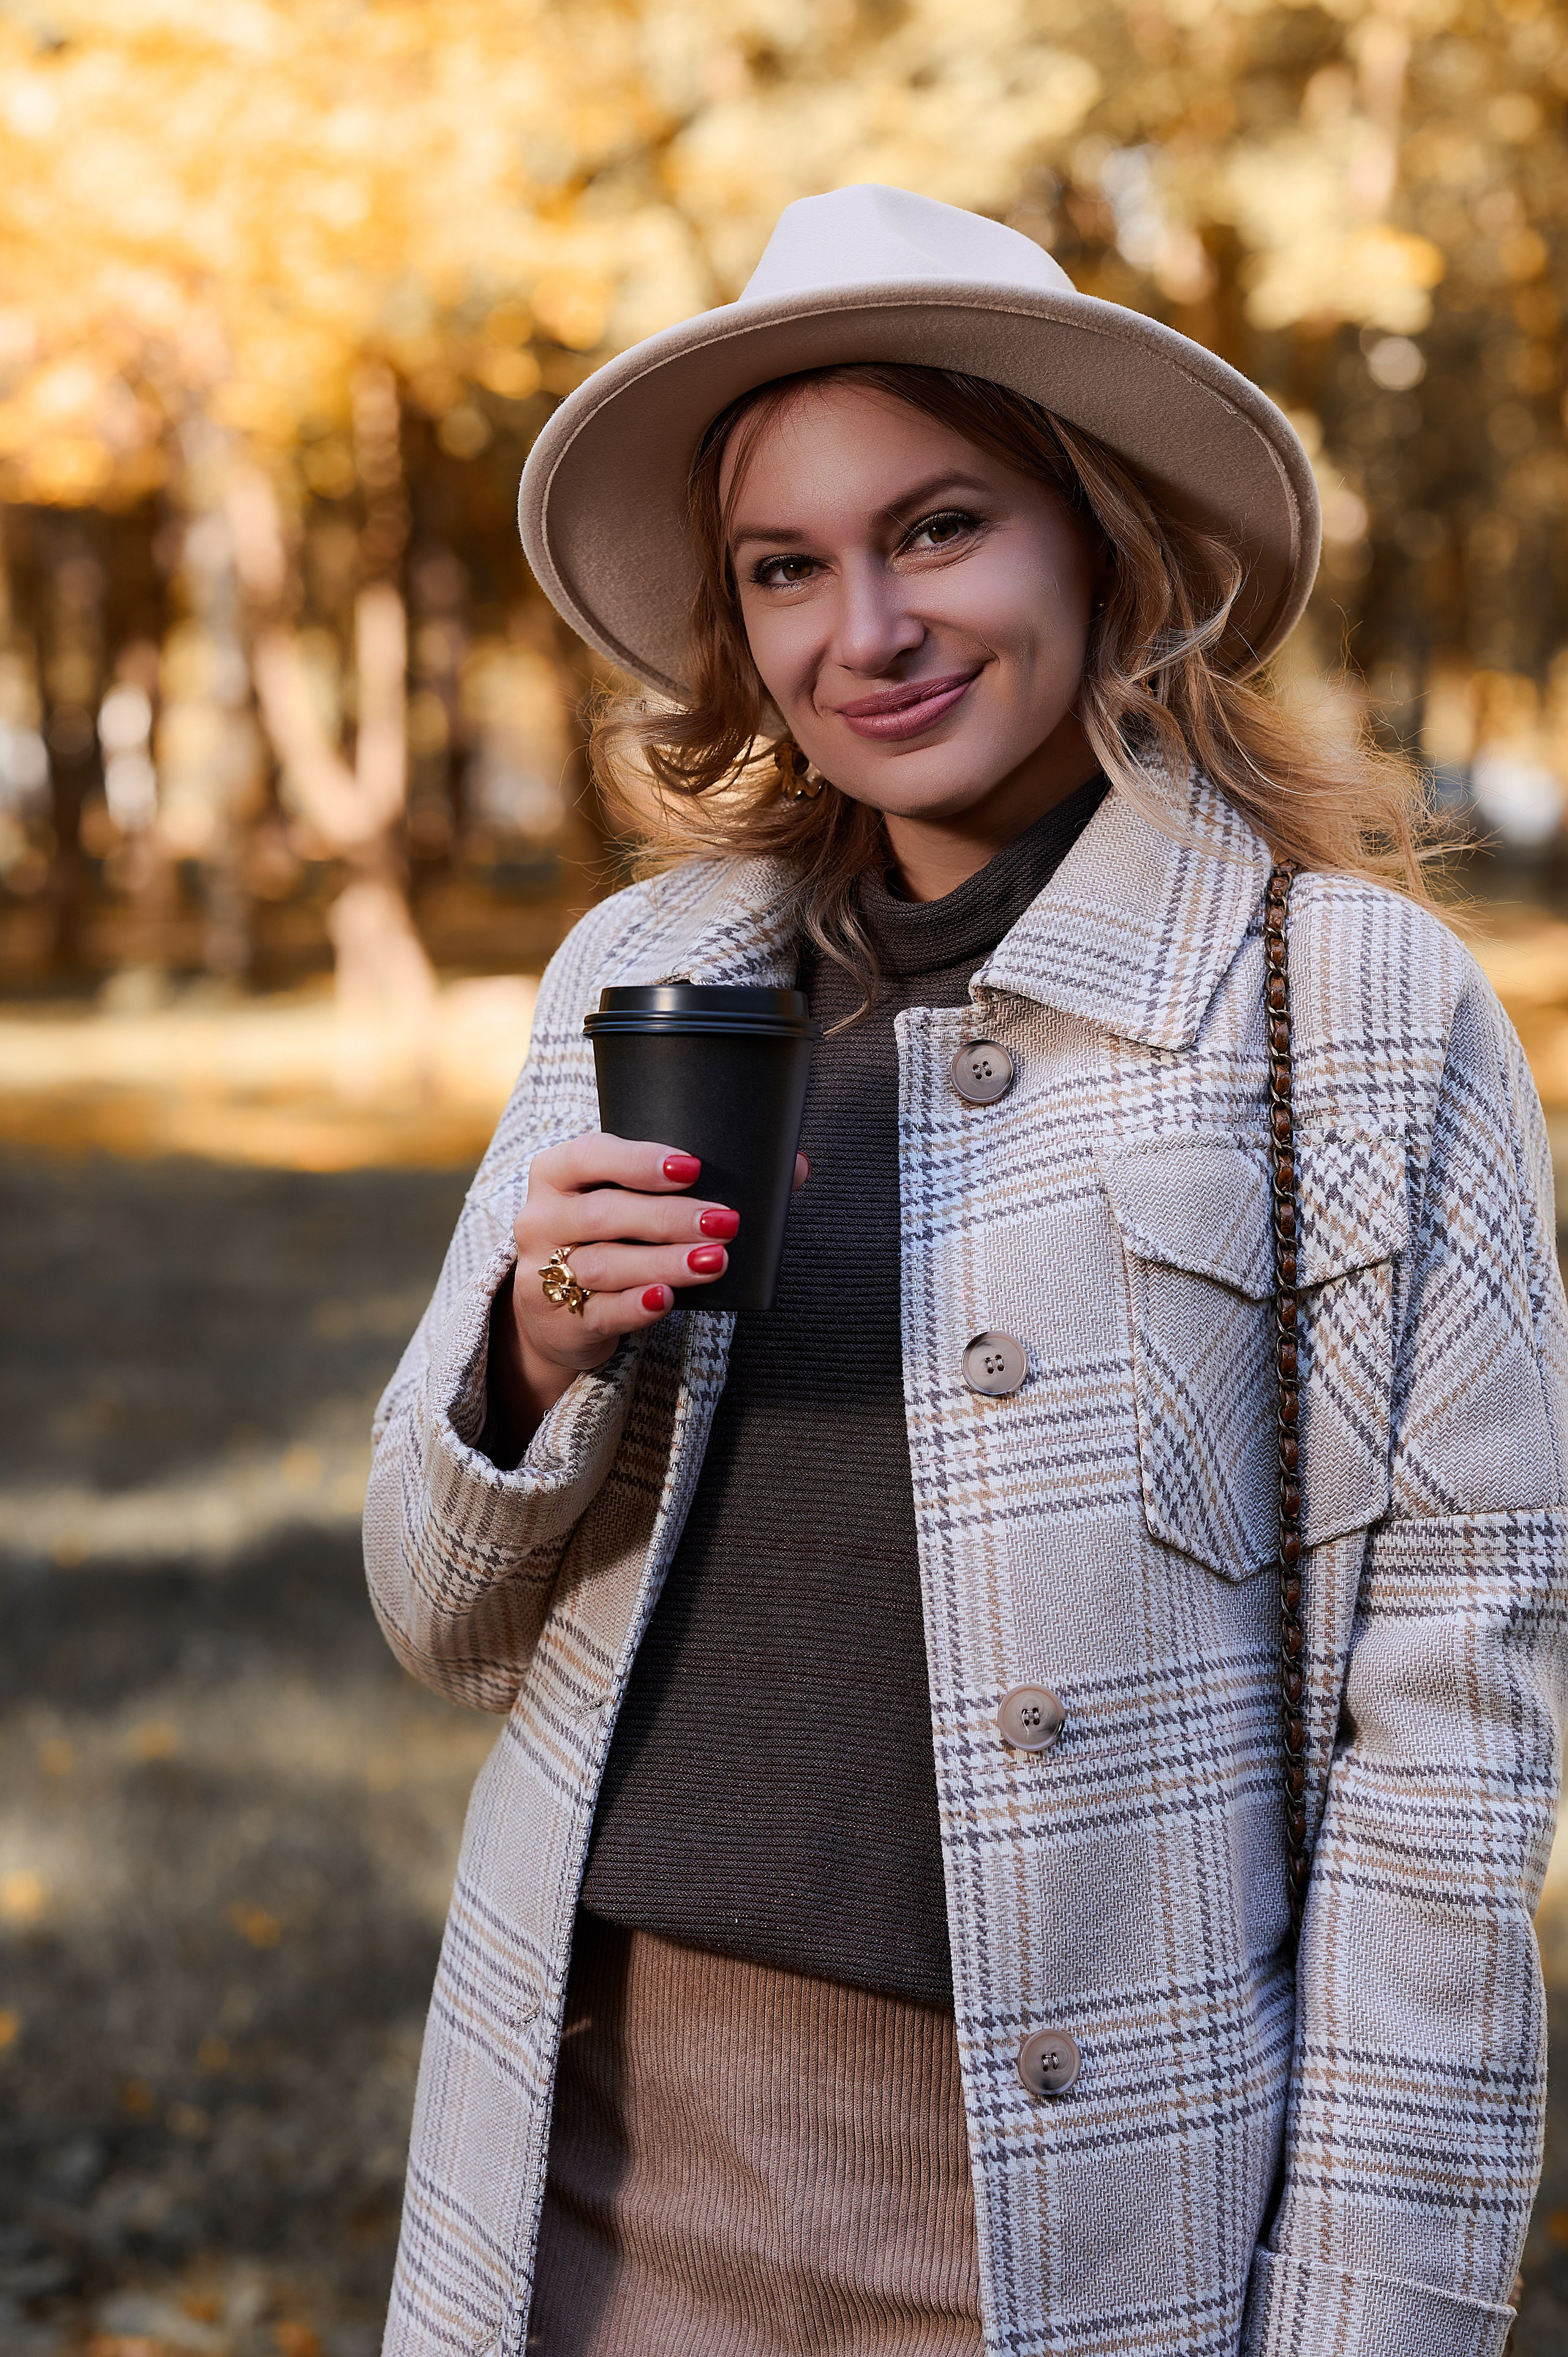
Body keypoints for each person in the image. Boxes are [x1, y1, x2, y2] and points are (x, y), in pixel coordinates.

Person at [365, 187, 1568, 2357]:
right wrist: (531, 1355)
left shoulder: (1354, 1017)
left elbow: (1450, 1775)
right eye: (786, 567)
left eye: (939, 528)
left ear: (1100, 543)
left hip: (1083, 2232)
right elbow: (437, 1621)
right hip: (594, 2184)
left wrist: (1373, 2321)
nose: (868, 631)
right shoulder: (646, 974)